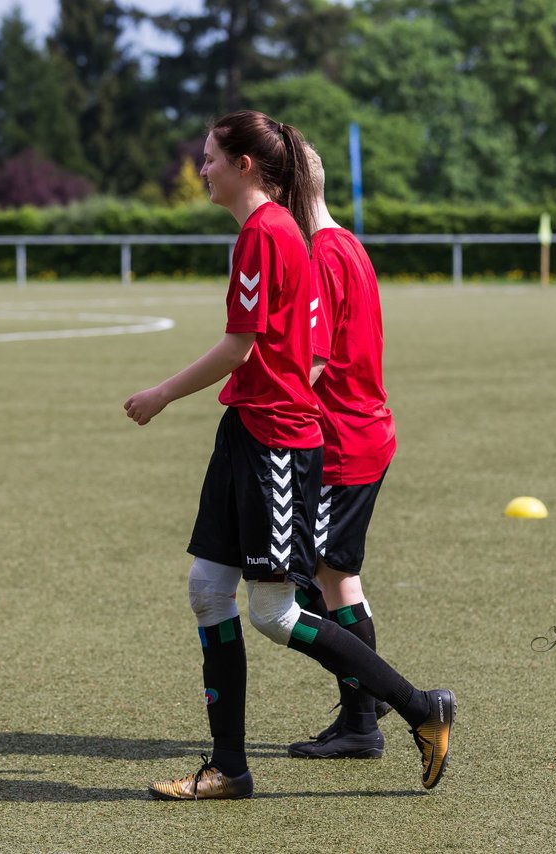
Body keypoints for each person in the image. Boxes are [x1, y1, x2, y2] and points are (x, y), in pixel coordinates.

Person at [124, 110, 455, 800]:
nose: (202, 167)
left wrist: (160, 394)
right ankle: (229, 768)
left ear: (246, 164)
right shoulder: (276, 235)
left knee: (275, 612)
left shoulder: (270, 237)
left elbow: (243, 347)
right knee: (207, 590)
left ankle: (420, 709)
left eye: (211, 156)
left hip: (277, 440)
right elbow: (297, 351)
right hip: (245, 430)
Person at [284, 144, 397, 760]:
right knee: (326, 577)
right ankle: (367, 695)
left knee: (324, 578)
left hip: (342, 440)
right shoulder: (346, 241)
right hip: (361, 431)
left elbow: (317, 360)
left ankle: (364, 717)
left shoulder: (322, 254)